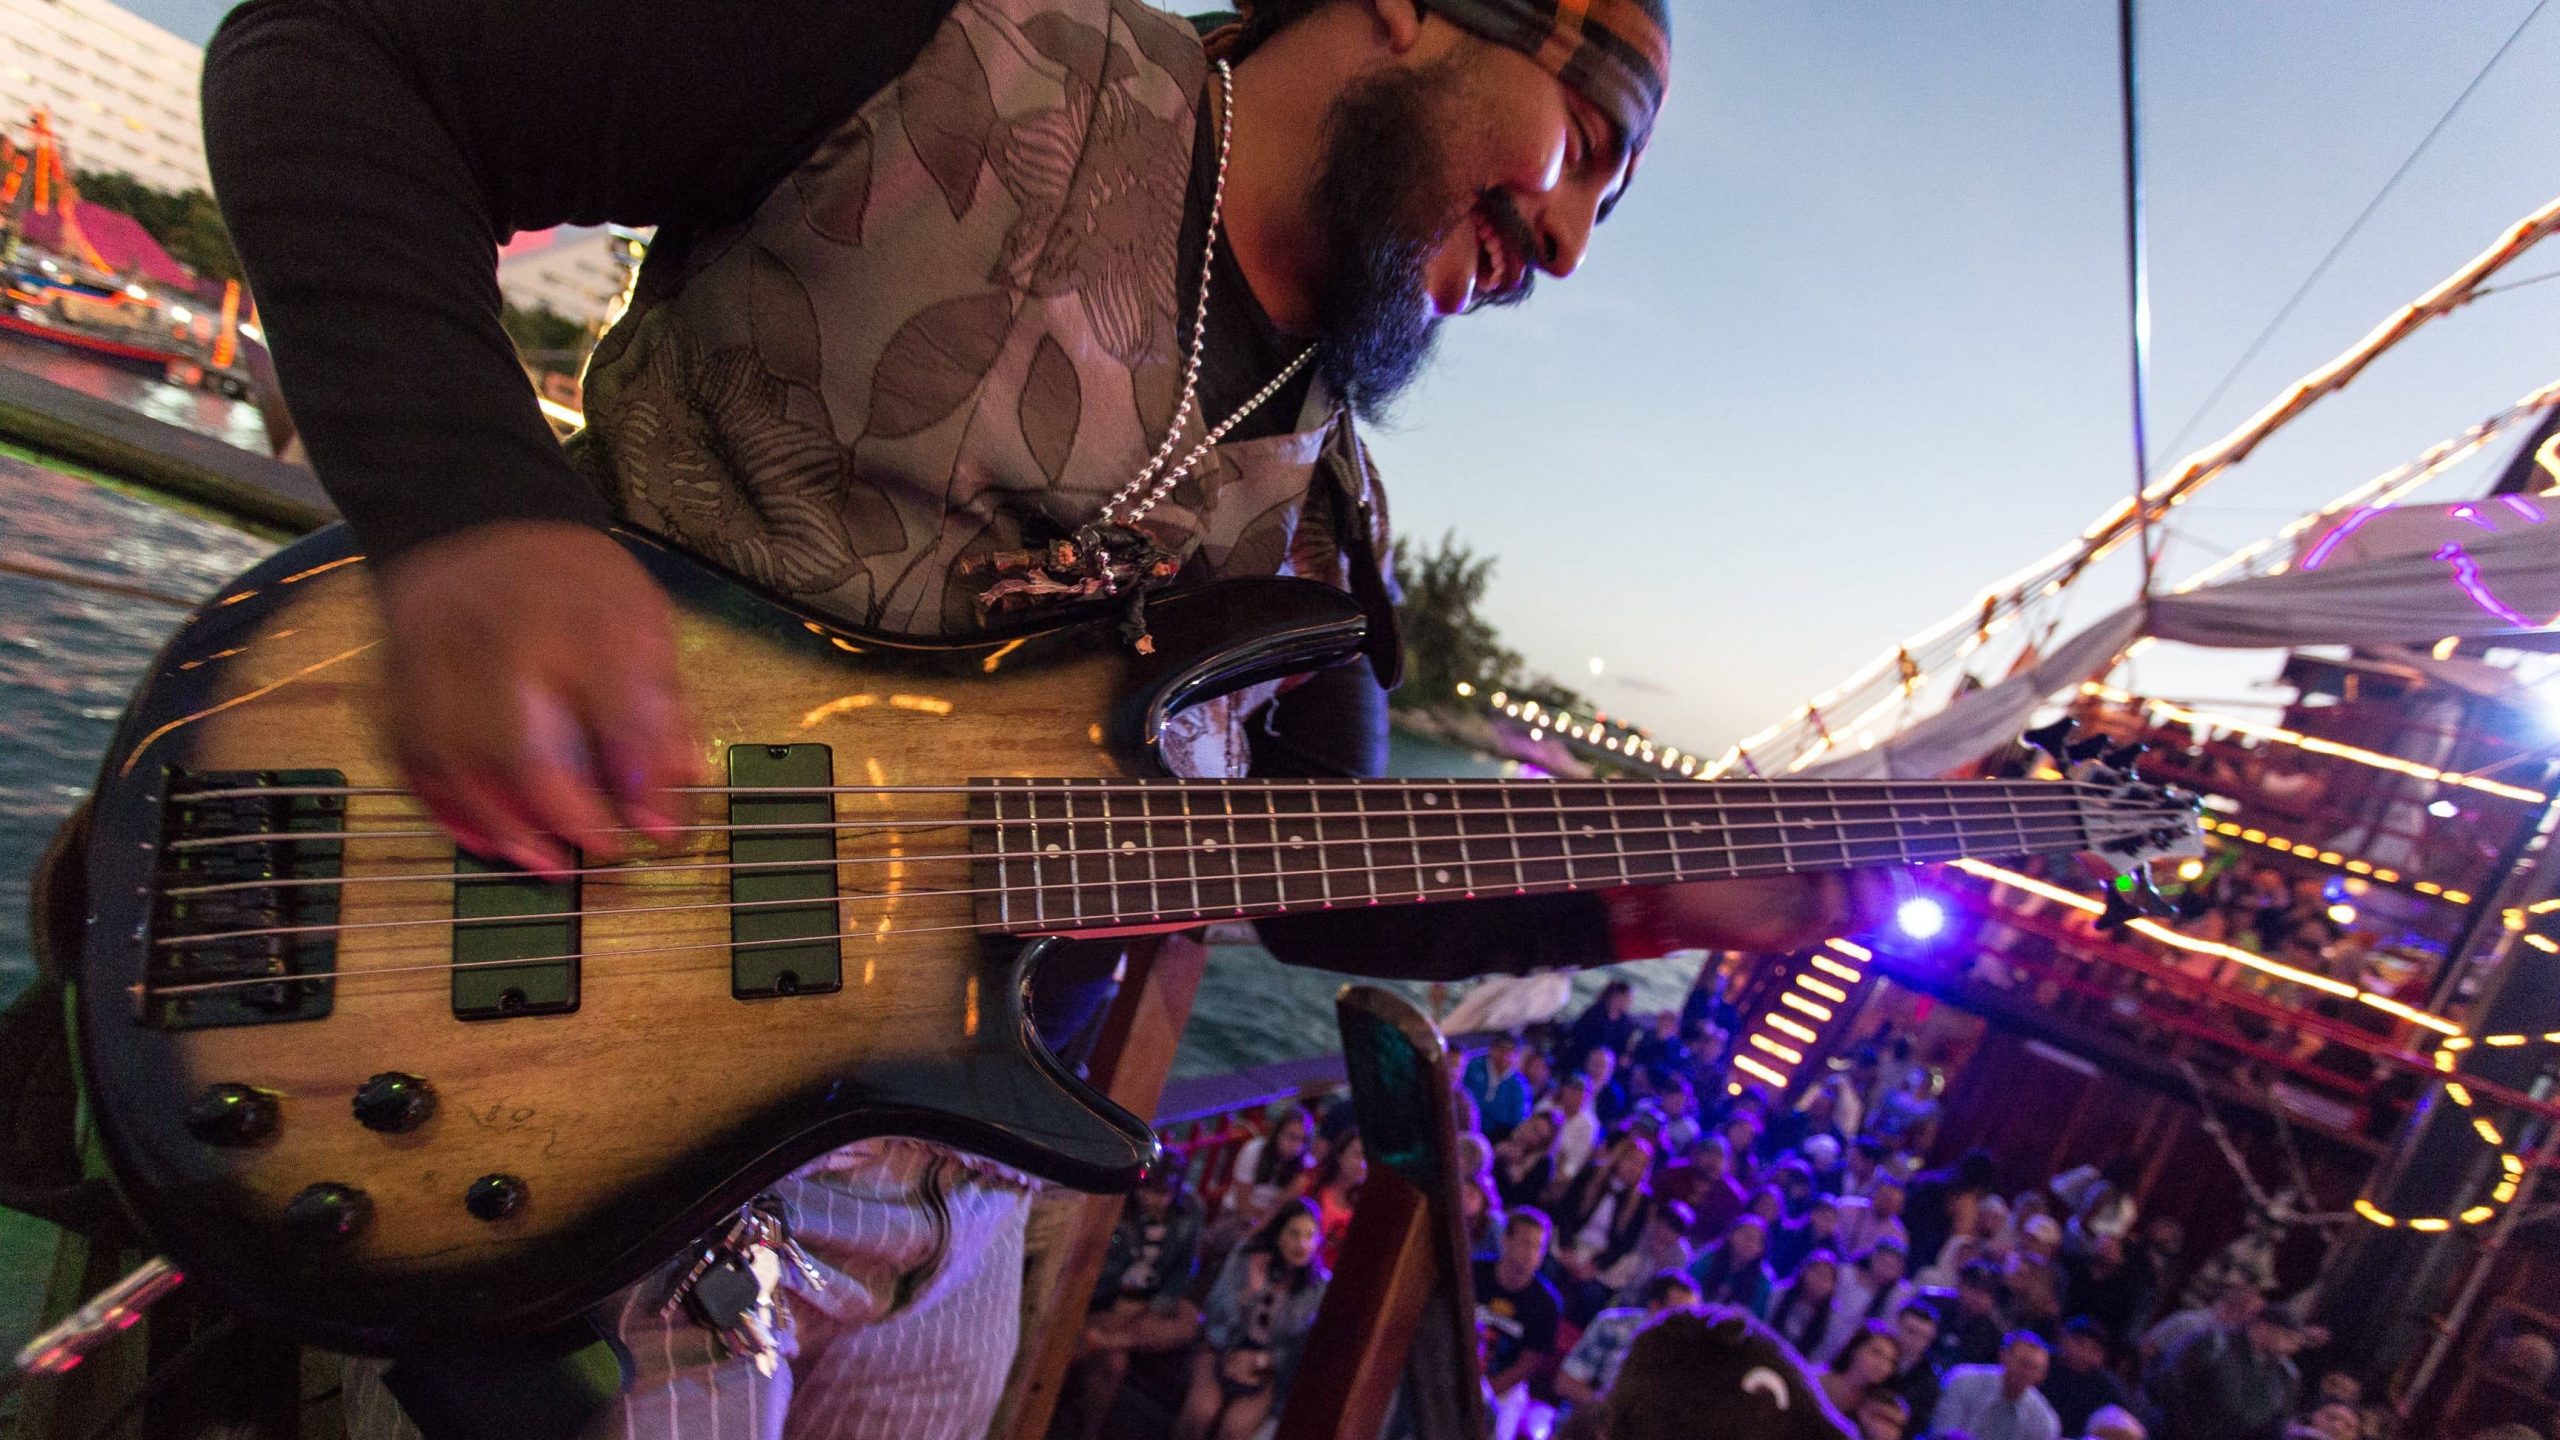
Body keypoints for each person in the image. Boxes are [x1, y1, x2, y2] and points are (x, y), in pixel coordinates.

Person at [201, 0, 1909, 1428]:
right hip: (588, 1110)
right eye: (1589, 150)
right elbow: (339, 60)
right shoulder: (940, 62)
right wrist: (473, 521)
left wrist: (1655, 895)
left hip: (950, 1233)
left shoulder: (1322, 517)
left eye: (1607, 220)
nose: (1561, 245)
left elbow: (1350, 885)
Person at [1182, 1199, 1330, 1440]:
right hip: (1220, 1346)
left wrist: (1263, 1361)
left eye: (1310, 1235)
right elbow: (1213, 1314)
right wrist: (1249, 1292)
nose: (1302, 1244)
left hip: (1268, 1367)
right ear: (1278, 1233)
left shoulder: (1319, 1288)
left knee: (1234, 1429)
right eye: (1294, 1233)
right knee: (1201, 1411)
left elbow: (1301, 1350)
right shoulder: (1246, 1256)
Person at [1075, 1168, 1206, 1439]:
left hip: (1148, 1304)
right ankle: (1088, 1432)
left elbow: (1181, 1271)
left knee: (1191, 1320)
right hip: (1111, 1298)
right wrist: (1121, 1302)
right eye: (1147, 1190)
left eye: (1162, 1193)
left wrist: (1153, 1305)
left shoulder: (1187, 1216)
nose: (1151, 1199)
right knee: (1114, 1365)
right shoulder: (1121, 1210)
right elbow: (1102, 1272)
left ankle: (1104, 1341)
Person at [2152, 1304, 2308, 1440]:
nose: (2293, 1348)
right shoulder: (2214, 1344)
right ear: (2264, 1327)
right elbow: (2170, 1381)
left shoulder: (2284, 1377)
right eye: (2288, 1338)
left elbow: (2274, 1423)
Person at [1554, 1268, 1701, 1407]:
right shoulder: (1612, 1325)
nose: (1687, 1324)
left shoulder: (1690, 1355)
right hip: (1594, 1420)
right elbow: (1565, 1383)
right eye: (1680, 1315)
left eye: (1693, 1317)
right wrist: (1608, 1407)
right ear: (1655, 1307)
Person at [1551, 1134, 1659, 1320]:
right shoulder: (1591, 1173)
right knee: (1550, 1269)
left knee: (1592, 1296)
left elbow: (1626, 1243)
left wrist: (1595, 1265)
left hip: (1604, 1258)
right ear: (1619, 1157)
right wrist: (1567, 1248)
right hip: (1573, 1243)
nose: (1635, 1168)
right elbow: (1565, 1213)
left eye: (1642, 1165)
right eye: (1632, 1160)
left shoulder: (1642, 1200)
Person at [1476, 1208, 1566, 1403]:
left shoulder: (1546, 1304)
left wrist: (1486, 1391)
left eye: (1538, 1247)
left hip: (1504, 1386)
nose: (1531, 1254)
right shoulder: (1474, 1272)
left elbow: (1528, 1364)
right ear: (1506, 1240)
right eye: (1526, 1243)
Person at [1931, 1331, 2062, 1440]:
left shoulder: (2044, 1420)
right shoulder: (1963, 1381)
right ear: (2004, 1356)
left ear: (2043, 1375)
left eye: (2034, 1368)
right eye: (2023, 1363)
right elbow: (1942, 1431)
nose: (2025, 1372)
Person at [1222, 1103, 1316, 1236]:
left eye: (1303, 1140)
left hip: (1274, 1222)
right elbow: (1242, 1203)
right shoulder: (1254, 1150)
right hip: (1236, 1213)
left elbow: (1281, 1207)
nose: (1296, 1146)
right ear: (1278, 1132)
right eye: (1291, 1137)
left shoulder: (1306, 1165)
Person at [1815, 1242, 1916, 1365]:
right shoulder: (1845, 1274)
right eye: (1883, 1261)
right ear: (1873, 1257)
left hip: (1853, 1354)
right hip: (1821, 1335)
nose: (1886, 1269)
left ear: (1901, 1270)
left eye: (1892, 1266)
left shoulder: (1898, 1296)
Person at [2041, 1317, 2131, 1438]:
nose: (2084, 1354)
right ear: (2062, 1338)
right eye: (2079, 1343)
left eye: (2094, 1350)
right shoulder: (2041, 1362)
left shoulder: (2106, 1385)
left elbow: (2125, 1423)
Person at [1293, 1132, 1366, 1267]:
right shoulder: (1309, 1181)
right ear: (1340, 1155)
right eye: (1356, 1154)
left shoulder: (1366, 1205)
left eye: (1367, 1158)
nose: (1362, 1164)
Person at [1687, 1214, 1778, 1318]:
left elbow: (1755, 1317)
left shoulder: (1763, 1280)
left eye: (1756, 1240)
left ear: (1761, 1249)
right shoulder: (1710, 1257)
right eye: (1746, 1235)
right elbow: (1688, 1287)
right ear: (1731, 1234)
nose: (1748, 1243)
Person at [1768, 1249, 1843, 1359]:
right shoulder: (1779, 1294)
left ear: (1833, 1286)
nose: (1819, 1280)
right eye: (1817, 1272)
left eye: (1826, 1277)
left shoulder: (1833, 1320)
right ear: (1804, 1271)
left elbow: (1821, 1356)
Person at [1824, 1321, 1905, 1420]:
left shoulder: (1878, 1410)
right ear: (1855, 1349)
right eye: (1876, 1353)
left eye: (1890, 1361)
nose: (1882, 1365)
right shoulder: (1817, 1382)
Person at [1888, 1298, 1946, 1433]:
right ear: (1896, 1325)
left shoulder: (1930, 1381)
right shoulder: (1871, 1350)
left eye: (1924, 1337)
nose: (1915, 1341)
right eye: (1911, 1331)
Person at [1465, 1032, 1535, 1141]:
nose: (1505, 1056)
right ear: (1492, 1049)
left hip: (1495, 1137)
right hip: (1462, 1122)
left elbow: (1518, 1121)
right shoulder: (1472, 1066)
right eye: (1501, 1049)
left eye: (1510, 1052)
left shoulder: (1519, 1086)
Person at [1562, 979, 1641, 1075]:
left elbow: (1622, 1046)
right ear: (1617, 997)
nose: (1629, 1002)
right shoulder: (1595, 1012)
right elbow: (1579, 1035)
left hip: (1606, 1064)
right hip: (1583, 1056)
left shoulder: (1626, 1023)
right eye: (1627, 998)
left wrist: (1622, 1057)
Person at [1494, 1109, 1562, 1212]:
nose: (1532, 1136)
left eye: (1540, 1137)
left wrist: (1512, 1174)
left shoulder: (1543, 1166)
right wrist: (1495, 1152)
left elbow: (1523, 1201)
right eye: (1534, 1128)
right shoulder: (1503, 1132)